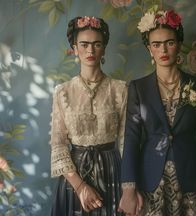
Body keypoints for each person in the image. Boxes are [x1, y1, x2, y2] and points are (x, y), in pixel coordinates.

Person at [118, 9, 196, 216]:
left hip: (191, 180)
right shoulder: (138, 88)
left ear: (179, 44)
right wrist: (129, 189)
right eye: (156, 44)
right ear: (149, 49)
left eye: (169, 42)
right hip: (151, 182)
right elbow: (131, 139)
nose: (163, 49)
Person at [50, 16, 127, 216]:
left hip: (112, 171)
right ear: (75, 49)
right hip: (74, 174)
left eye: (96, 44)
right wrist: (80, 186)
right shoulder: (63, 91)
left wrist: (130, 187)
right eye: (84, 45)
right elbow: (58, 144)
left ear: (104, 49)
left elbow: (126, 141)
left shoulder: (120, 89)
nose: (90, 51)